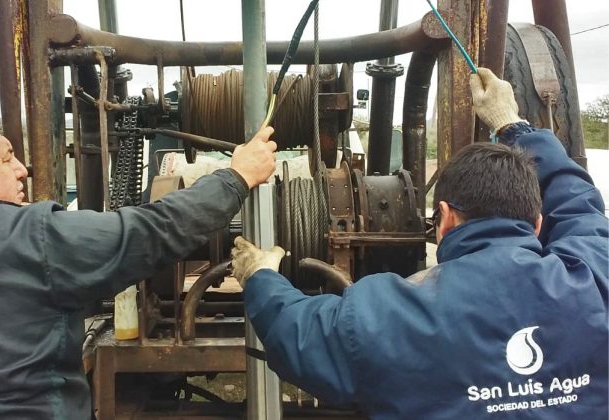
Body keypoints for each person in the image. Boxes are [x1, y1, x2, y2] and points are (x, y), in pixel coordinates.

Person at [231, 68, 608, 418]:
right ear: (538, 222)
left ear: (443, 219)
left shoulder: (388, 318)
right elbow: (579, 204)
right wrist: (513, 123)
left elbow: (298, 333)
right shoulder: (596, 279)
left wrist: (261, 276)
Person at [0, 115, 277, 419]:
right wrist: (237, 176)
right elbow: (150, 232)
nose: (22, 170)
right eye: (7, 158)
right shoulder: (27, 234)